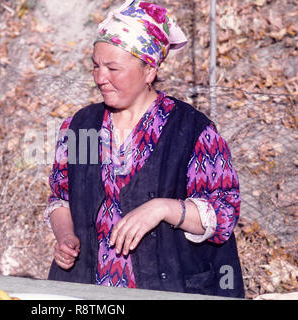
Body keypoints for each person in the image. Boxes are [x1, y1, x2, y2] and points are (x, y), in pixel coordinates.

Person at [43, 0, 244, 297]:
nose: (100, 78)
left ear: (149, 71)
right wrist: (65, 235)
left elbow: (223, 212)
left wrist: (163, 208)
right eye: (96, 66)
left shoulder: (192, 131)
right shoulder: (80, 126)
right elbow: (61, 198)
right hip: (89, 290)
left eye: (113, 68)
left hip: (167, 287)